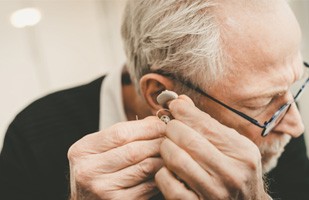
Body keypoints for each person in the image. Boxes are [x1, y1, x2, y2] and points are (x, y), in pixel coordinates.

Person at [1, 0, 309, 199]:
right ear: (161, 97)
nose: (296, 126)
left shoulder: (277, 126)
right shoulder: (32, 136)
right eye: (260, 103)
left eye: (294, 86)